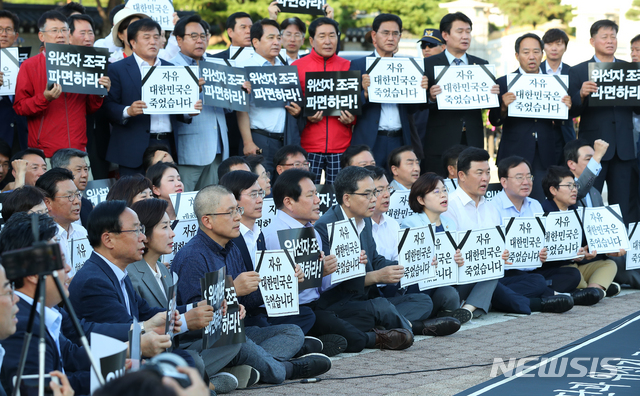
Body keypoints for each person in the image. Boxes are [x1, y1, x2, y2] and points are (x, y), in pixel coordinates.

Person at [171, 185, 332, 385]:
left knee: (291, 332)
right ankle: (287, 369)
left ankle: (238, 367)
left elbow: (250, 300)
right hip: (204, 342)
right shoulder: (192, 256)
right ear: (207, 221)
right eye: (230, 213)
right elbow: (196, 318)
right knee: (240, 343)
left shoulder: (231, 248)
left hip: (236, 331)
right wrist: (232, 290)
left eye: (237, 210)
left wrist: (288, 282)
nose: (238, 217)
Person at [264, 168, 414, 351]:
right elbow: (275, 290)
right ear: (288, 201)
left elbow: (323, 285)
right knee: (336, 323)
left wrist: (344, 266)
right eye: (311, 195)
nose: (318, 200)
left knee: (375, 309)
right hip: (297, 310)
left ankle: (327, 339)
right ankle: (372, 338)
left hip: (318, 305)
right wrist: (321, 273)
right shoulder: (274, 235)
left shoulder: (311, 231)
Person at [316, 166, 460, 337]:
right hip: (340, 302)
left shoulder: (365, 220)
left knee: (422, 301)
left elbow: (376, 260)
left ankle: (386, 326)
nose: (374, 199)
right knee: (381, 308)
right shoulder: (326, 226)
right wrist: (376, 277)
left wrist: (411, 266)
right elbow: (328, 282)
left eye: (375, 193)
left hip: (367, 299)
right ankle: (415, 327)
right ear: (347, 199)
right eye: (368, 194)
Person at [127, 198, 242, 393]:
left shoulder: (164, 270)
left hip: (176, 345)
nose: (172, 234)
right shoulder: (132, 273)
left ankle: (199, 379)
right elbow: (146, 323)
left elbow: (176, 319)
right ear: (144, 233)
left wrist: (214, 309)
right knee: (193, 360)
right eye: (164, 227)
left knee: (232, 340)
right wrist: (190, 317)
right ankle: (207, 384)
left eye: (171, 227)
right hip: (151, 352)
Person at [103, 19, 201, 176]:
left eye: (157, 37)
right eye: (146, 37)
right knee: (134, 195)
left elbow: (178, 108)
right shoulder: (117, 69)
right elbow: (107, 106)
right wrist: (128, 111)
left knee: (164, 194)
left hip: (166, 144)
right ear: (133, 42)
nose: (153, 42)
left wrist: (190, 111)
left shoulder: (174, 70)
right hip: (131, 148)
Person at [569, 19, 640, 224]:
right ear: (592, 41)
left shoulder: (630, 69)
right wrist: (581, 94)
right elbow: (571, 112)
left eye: (613, 37)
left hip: (624, 147)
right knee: (589, 200)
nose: (610, 41)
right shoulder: (579, 71)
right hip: (594, 148)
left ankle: (621, 253)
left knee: (623, 205)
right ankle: (590, 252)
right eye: (605, 37)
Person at [367, 166, 462, 320]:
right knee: (423, 293)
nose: (386, 195)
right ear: (421, 199)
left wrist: (457, 260)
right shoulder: (410, 224)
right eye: (379, 190)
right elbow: (404, 264)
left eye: (444, 190)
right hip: (392, 287)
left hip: (432, 281)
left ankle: (459, 311)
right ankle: (427, 322)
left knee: (450, 293)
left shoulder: (392, 224)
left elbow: (400, 261)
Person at [13, 11, 110, 160]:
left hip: (78, 150)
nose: (60, 35)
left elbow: (89, 108)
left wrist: (99, 92)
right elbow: (20, 107)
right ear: (41, 36)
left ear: (69, 34)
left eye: (64, 30)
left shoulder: (84, 63)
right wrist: (44, 98)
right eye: (54, 31)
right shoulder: (29, 65)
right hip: (44, 152)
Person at [489, 33, 571, 202]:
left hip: (546, 153)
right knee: (512, 203)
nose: (532, 57)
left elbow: (563, 120)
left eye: (536, 51)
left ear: (542, 54)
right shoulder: (503, 82)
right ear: (517, 56)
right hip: (514, 153)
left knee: (543, 202)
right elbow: (494, 120)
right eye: (526, 52)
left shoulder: (555, 83)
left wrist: (566, 107)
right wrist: (503, 106)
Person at [488, 156, 575, 314]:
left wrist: (544, 253)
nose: (526, 182)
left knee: (571, 274)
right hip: (506, 273)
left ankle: (512, 298)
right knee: (537, 282)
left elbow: (542, 241)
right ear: (504, 182)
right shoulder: (492, 207)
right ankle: (542, 300)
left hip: (531, 271)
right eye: (519, 177)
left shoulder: (535, 205)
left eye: (529, 176)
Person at [421, 12, 500, 174]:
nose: (466, 36)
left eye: (468, 31)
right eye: (460, 31)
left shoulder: (481, 65)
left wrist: (494, 95)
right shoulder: (427, 65)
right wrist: (430, 97)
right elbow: (415, 106)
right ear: (445, 35)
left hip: (473, 137)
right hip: (440, 140)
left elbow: (489, 105)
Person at [351, 14, 422, 168]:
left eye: (395, 34)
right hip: (371, 139)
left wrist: (421, 91)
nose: (391, 38)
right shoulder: (358, 65)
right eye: (386, 33)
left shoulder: (407, 67)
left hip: (400, 140)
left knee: (399, 187)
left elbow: (413, 109)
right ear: (374, 36)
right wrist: (364, 94)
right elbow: (349, 107)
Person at [540, 166, 618, 303]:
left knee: (609, 265)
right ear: (553, 190)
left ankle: (594, 290)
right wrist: (573, 256)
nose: (575, 190)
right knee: (573, 275)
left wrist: (590, 253)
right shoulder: (542, 212)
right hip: (558, 269)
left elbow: (584, 245)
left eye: (575, 185)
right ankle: (599, 289)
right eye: (569, 186)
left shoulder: (576, 210)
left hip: (576, 266)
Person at [441, 147, 502, 321]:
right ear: (461, 175)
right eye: (479, 173)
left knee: (496, 270)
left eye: (488, 172)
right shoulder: (449, 205)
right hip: (458, 277)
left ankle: (467, 308)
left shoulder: (491, 207)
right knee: (512, 297)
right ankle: (477, 304)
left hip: (485, 276)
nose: (485, 178)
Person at [171, 15, 230, 192]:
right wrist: (192, 91)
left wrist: (239, 91)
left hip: (219, 147)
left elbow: (228, 108)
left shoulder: (218, 66)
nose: (200, 41)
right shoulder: (170, 68)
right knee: (183, 204)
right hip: (189, 150)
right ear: (179, 40)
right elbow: (171, 109)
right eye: (193, 36)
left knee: (211, 203)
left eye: (203, 36)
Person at [565, 139, 632, 293]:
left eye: (595, 159)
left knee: (628, 250)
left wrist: (612, 245)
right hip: (578, 258)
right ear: (571, 164)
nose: (596, 164)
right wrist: (599, 154)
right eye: (589, 159)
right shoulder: (566, 188)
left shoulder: (595, 193)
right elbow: (578, 190)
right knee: (621, 265)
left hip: (599, 254)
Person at [236, 19, 301, 175]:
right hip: (259, 139)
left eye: (278, 38)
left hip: (286, 140)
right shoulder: (243, 67)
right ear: (256, 42)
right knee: (260, 188)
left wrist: (297, 111)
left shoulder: (286, 69)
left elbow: (293, 102)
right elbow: (240, 109)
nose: (276, 42)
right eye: (270, 38)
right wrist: (248, 142)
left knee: (285, 189)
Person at [293, 17, 354, 184]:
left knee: (338, 196)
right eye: (322, 36)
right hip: (307, 146)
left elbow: (356, 104)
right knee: (305, 193)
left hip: (341, 146)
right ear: (312, 40)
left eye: (332, 35)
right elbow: (291, 105)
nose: (328, 41)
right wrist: (305, 114)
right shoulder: (296, 67)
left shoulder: (349, 66)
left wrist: (351, 119)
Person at [211, 12, 253, 157]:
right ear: (230, 32)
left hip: (260, 131)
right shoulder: (214, 61)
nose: (249, 31)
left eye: (251, 27)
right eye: (243, 27)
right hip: (228, 131)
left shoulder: (264, 60)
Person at [36, 168, 87, 277]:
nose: (77, 201)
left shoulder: (82, 232)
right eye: (69, 196)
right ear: (47, 203)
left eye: (77, 194)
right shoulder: (42, 238)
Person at [541, 28, 575, 145]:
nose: (554, 48)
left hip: (565, 134)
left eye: (558, 44)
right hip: (541, 132)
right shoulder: (534, 72)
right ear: (543, 47)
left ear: (565, 47)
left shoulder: (573, 72)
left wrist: (572, 103)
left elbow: (578, 105)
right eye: (549, 44)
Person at [0, 10, 28, 152]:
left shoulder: (26, 65)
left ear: (16, 35)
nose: (3, 34)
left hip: (20, 137)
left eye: (8, 29)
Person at [51, 148, 93, 227]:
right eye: (78, 169)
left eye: (86, 169)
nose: (85, 175)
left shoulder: (87, 204)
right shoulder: (49, 206)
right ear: (62, 171)